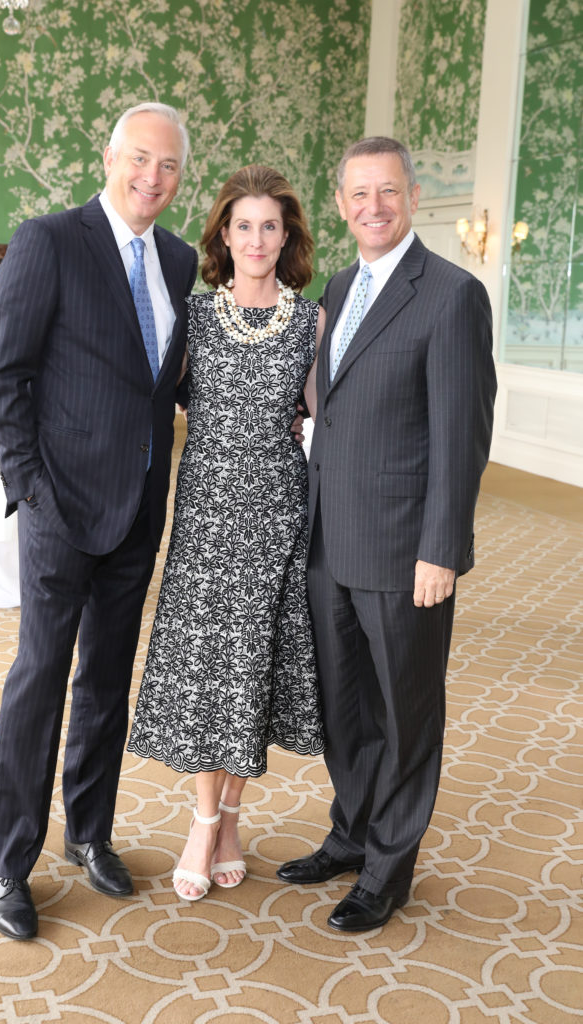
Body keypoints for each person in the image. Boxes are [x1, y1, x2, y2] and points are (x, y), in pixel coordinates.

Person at [0, 102, 198, 940]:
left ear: (181, 178)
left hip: (140, 506)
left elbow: (167, 382)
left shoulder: (178, 261)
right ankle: (10, 863)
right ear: (108, 157)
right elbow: (3, 376)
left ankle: (91, 835)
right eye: (139, 158)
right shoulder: (50, 240)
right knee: (39, 680)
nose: (151, 177)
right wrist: (31, 488)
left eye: (169, 166)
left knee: (107, 680)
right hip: (59, 508)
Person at [277, 136, 497, 932]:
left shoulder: (449, 294)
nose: (373, 206)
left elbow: (461, 435)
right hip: (328, 541)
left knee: (404, 712)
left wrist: (442, 547)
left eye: (388, 191)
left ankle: (387, 869)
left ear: (410, 197)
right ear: (340, 204)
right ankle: (350, 833)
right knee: (344, 708)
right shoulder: (338, 285)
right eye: (358, 193)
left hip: (407, 550)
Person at [127, 165, 324, 901]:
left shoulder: (311, 321)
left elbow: (326, 422)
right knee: (211, 675)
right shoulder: (197, 316)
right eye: (243, 225)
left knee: (252, 674)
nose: (256, 238)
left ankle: (230, 817)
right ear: (222, 235)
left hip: (277, 516)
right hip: (207, 518)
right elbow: (143, 397)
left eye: (270, 225)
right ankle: (202, 823)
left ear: (288, 236)